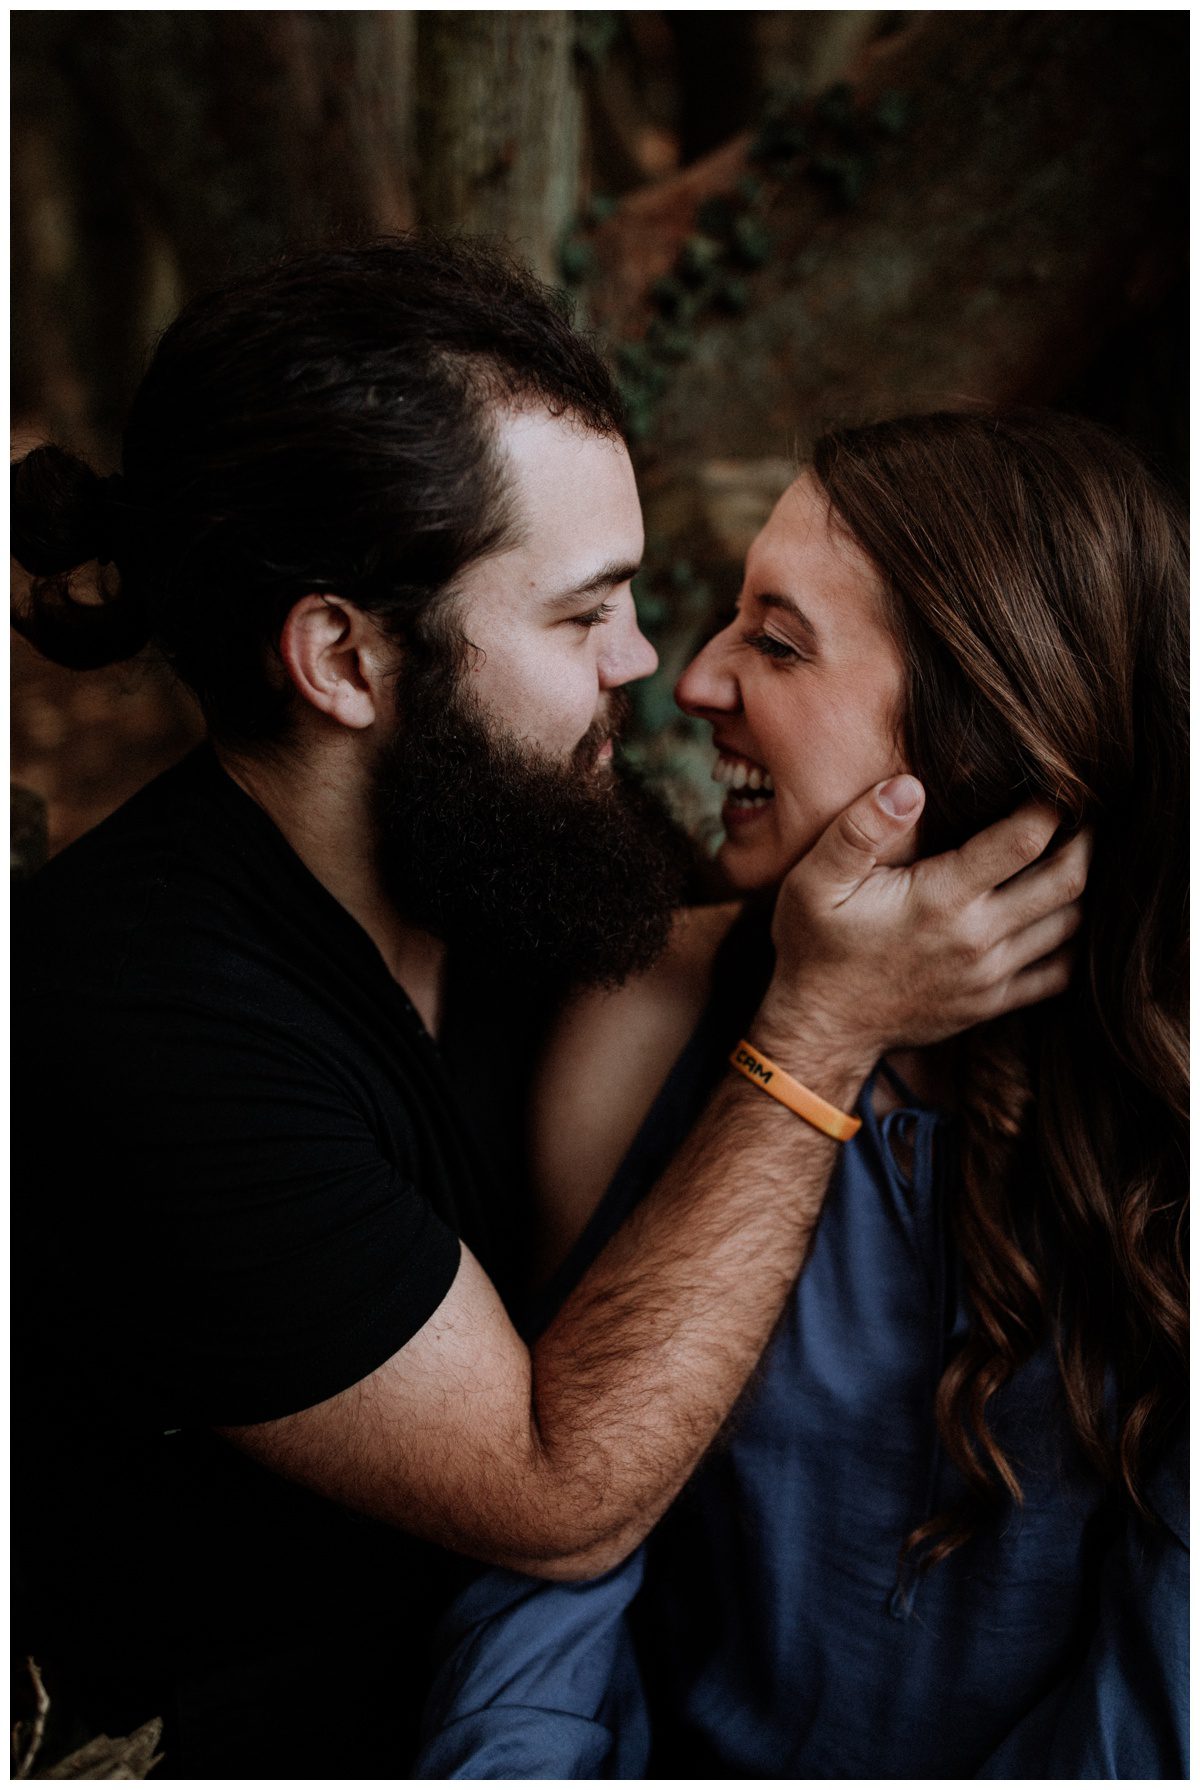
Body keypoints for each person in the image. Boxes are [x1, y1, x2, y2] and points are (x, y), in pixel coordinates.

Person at [11, 241, 1086, 1779]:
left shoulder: (518, 843)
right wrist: (827, 1027)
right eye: (584, 616)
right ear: (342, 658)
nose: (648, 666)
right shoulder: (143, 1018)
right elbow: (558, 1490)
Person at [414, 410, 1188, 1780]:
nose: (695, 680)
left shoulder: (1163, 1110)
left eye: (777, 641)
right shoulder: (649, 1010)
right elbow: (555, 1572)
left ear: (987, 721)